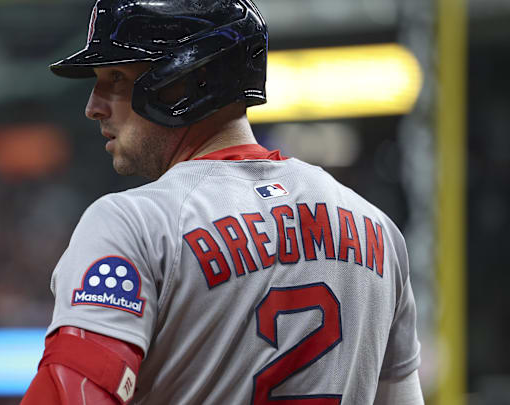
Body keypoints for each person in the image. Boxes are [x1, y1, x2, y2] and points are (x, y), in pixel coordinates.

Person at [21, 0, 423, 404]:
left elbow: (70, 396)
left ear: (183, 81)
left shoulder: (134, 223)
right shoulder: (378, 230)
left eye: (117, 79)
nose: (93, 107)